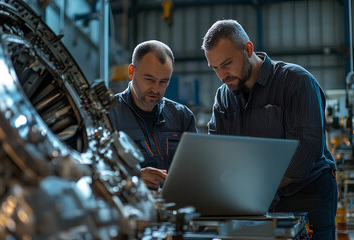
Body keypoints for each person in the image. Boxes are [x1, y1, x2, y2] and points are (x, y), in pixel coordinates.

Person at [201, 20, 337, 239]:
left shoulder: (296, 81)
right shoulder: (224, 97)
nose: (222, 75)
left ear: (248, 49)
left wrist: (253, 188)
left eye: (227, 63)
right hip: (255, 198)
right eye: (215, 68)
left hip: (307, 192)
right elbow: (218, 151)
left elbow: (306, 151)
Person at [110, 40, 197, 190]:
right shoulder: (107, 115)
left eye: (163, 81)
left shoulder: (182, 117)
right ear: (131, 72)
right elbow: (88, 171)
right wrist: (132, 178)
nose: (156, 90)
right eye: (149, 80)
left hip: (174, 208)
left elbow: (196, 170)